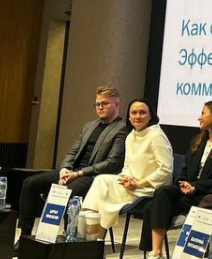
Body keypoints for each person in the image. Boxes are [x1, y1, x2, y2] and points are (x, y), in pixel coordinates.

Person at [126, 100, 212, 259]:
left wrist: (195, 187)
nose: (199, 117)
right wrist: (183, 183)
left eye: (203, 113)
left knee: (151, 207)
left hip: (208, 197)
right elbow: (184, 170)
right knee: (161, 193)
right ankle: (156, 256)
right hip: (187, 192)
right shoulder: (197, 141)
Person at [17, 85, 129, 248]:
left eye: (105, 103)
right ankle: (25, 236)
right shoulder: (89, 126)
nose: (100, 107)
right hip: (73, 172)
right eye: (97, 104)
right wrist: (64, 169)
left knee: (69, 192)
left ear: (117, 104)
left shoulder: (122, 128)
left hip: (94, 177)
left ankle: (68, 237)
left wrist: (79, 174)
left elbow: (112, 163)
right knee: (30, 183)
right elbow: (73, 151)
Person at [79, 99, 172, 230]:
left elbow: (166, 169)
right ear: (129, 117)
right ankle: (90, 233)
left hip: (148, 189)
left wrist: (139, 183)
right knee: (101, 180)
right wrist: (126, 178)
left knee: (102, 191)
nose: (138, 116)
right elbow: (127, 165)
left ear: (151, 115)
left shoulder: (156, 136)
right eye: (134, 113)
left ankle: (92, 235)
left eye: (142, 112)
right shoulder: (131, 136)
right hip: (132, 185)